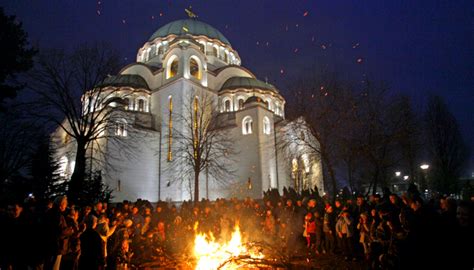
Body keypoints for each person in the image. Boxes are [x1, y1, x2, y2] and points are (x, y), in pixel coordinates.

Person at [44, 196, 73, 270]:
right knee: (54, 267)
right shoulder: (58, 216)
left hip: (48, 245)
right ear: (61, 204)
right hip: (57, 246)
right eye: (65, 204)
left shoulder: (49, 213)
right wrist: (70, 230)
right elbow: (60, 231)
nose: (66, 206)